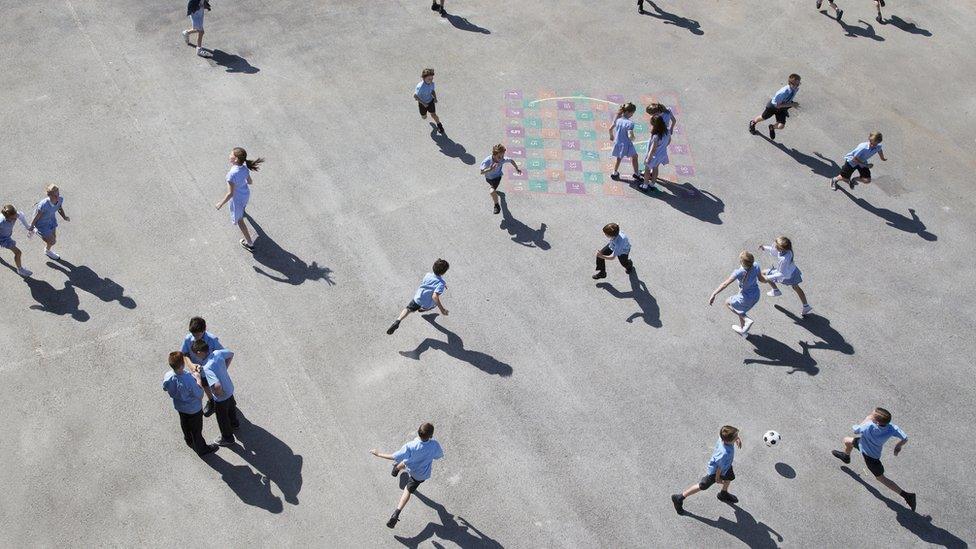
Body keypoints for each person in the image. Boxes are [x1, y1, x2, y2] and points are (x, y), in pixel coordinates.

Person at [832, 407, 916, 511]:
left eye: (872, 414)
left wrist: (867, 419)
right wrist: (898, 446)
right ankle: (846, 456)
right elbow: (905, 438)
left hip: (870, 456)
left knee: (881, 478)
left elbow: (856, 430)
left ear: (876, 421)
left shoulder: (869, 425)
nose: (870, 415)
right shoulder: (891, 428)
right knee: (847, 440)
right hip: (863, 444)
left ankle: (907, 496)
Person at [370, 422, 444, 528]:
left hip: (411, 467)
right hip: (421, 475)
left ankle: (396, 469)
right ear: (431, 436)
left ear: (418, 432)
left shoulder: (411, 445)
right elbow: (438, 456)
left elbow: (394, 456)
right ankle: (396, 513)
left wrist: (378, 454)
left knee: (406, 462)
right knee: (408, 486)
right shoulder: (434, 445)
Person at [671, 426, 743, 515]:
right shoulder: (724, 453)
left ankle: (723, 493)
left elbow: (729, 438)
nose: (737, 437)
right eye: (736, 437)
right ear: (729, 440)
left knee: (729, 477)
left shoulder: (723, 438)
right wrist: (717, 477)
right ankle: (679, 498)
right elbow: (719, 467)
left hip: (726, 467)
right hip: (715, 471)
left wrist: (737, 439)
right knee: (703, 485)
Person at [163, 351, 218, 456]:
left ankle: (188, 439)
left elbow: (165, 387)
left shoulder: (168, 376)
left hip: (179, 406)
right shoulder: (189, 379)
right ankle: (202, 449)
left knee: (184, 423)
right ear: (182, 365)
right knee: (196, 430)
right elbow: (199, 394)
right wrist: (197, 378)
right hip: (193, 409)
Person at [190, 340, 238, 446]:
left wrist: (218, 394)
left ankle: (227, 437)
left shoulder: (207, 368)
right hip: (229, 388)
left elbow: (217, 386)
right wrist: (224, 369)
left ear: (199, 352)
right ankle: (234, 423)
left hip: (222, 396)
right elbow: (231, 354)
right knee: (231, 406)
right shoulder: (217, 353)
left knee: (222, 417)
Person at [215, 147, 264, 250]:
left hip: (237, 200)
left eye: (231, 154)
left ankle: (249, 243)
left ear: (236, 159)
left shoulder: (231, 175)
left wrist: (220, 203)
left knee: (240, 220)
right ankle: (242, 211)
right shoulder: (245, 167)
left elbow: (230, 194)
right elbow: (250, 182)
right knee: (242, 208)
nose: (229, 155)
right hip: (245, 194)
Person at [709, 251, 767, 336]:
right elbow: (762, 279)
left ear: (741, 262)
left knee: (728, 302)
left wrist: (714, 293)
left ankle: (746, 319)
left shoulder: (739, 272)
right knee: (740, 308)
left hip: (746, 298)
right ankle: (744, 331)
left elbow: (725, 284)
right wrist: (769, 280)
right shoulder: (756, 265)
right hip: (756, 295)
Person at [387, 259, 449, 335]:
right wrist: (442, 310)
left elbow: (434, 281)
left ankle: (398, 320)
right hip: (427, 303)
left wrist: (442, 283)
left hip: (418, 298)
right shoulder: (441, 283)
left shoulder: (428, 275)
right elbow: (435, 296)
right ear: (444, 272)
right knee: (434, 304)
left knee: (408, 309)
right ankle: (423, 309)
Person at [180, 317, 224, 417]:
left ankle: (227, 401)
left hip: (212, 371)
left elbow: (222, 353)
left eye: (198, 334)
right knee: (205, 386)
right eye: (193, 334)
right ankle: (212, 401)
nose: (195, 337)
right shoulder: (188, 339)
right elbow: (184, 354)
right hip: (199, 372)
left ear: (204, 330)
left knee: (219, 387)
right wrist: (191, 365)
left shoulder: (212, 340)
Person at [759, 237, 812, 315]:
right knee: (796, 287)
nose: (774, 245)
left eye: (775, 244)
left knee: (764, 273)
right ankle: (806, 306)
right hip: (793, 272)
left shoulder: (783, 260)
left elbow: (781, 274)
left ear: (780, 248)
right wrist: (765, 247)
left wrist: (767, 278)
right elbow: (775, 250)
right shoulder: (788, 251)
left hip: (786, 275)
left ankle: (776, 290)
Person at [749, 74, 801, 140]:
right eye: (795, 84)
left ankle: (772, 127)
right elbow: (778, 105)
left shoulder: (795, 89)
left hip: (782, 108)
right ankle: (753, 122)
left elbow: (788, 99)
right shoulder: (783, 92)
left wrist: (791, 103)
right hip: (772, 107)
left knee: (781, 126)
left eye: (798, 84)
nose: (797, 86)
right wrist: (791, 105)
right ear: (790, 83)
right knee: (763, 117)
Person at [28, 184, 69, 260]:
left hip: (51, 220)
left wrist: (64, 216)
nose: (57, 197)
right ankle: (37, 231)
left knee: (53, 238)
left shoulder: (60, 199)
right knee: (53, 241)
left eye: (58, 194)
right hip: (41, 224)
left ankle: (47, 251)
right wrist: (31, 226)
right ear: (49, 195)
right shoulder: (43, 205)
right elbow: (37, 216)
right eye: (54, 195)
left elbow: (59, 207)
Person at [480, 144, 522, 215]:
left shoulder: (502, 160)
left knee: (492, 191)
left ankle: (496, 206)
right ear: (493, 154)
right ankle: (500, 195)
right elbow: (481, 172)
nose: (501, 158)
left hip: (497, 177)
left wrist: (517, 168)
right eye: (499, 156)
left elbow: (511, 160)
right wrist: (490, 169)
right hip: (488, 178)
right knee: (493, 189)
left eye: (502, 156)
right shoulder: (487, 161)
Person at [609, 102, 642, 182]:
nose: (632, 115)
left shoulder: (618, 120)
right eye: (632, 113)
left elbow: (611, 128)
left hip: (618, 142)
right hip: (627, 144)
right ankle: (636, 173)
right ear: (628, 112)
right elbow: (630, 135)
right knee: (635, 156)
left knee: (619, 158)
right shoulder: (630, 123)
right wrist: (633, 137)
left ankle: (614, 172)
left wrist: (611, 136)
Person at [1, 204, 35, 277]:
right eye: (12, 218)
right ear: (6, 217)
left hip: (6, 236)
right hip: (3, 239)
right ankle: (20, 270)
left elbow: (27, 226)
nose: (15, 219)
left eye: (15, 216)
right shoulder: (1, 222)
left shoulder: (17, 215)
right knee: (18, 253)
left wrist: (31, 228)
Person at [640, 115, 670, 192]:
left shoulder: (656, 136)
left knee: (647, 169)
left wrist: (648, 159)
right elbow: (669, 141)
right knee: (655, 168)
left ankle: (645, 185)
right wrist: (663, 147)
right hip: (661, 155)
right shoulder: (667, 132)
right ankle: (652, 184)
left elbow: (653, 149)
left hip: (654, 156)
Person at [415, 68, 444, 135]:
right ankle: (425, 116)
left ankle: (440, 125)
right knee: (424, 117)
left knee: (433, 114)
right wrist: (424, 103)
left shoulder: (432, 83)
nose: (430, 81)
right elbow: (415, 96)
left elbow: (432, 91)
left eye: (431, 79)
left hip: (430, 101)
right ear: (423, 78)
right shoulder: (420, 87)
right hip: (422, 104)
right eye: (429, 79)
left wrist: (435, 98)